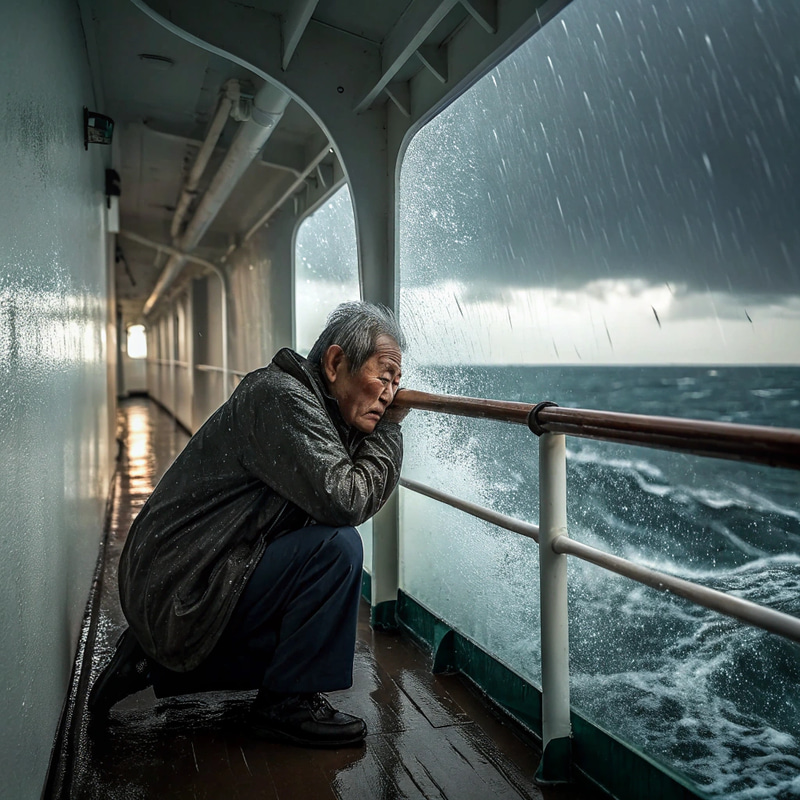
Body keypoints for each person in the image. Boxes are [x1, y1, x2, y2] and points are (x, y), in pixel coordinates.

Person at [89, 302, 407, 748]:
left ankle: (149, 661)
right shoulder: (281, 398)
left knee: (312, 608)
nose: (390, 394)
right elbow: (348, 497)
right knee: (338, 547)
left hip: (184, 573)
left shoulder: (305, 403)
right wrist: (389, 433)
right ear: (335, 363)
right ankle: (285, 704)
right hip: (179, 581)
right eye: (383, 375)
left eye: (397, 383)